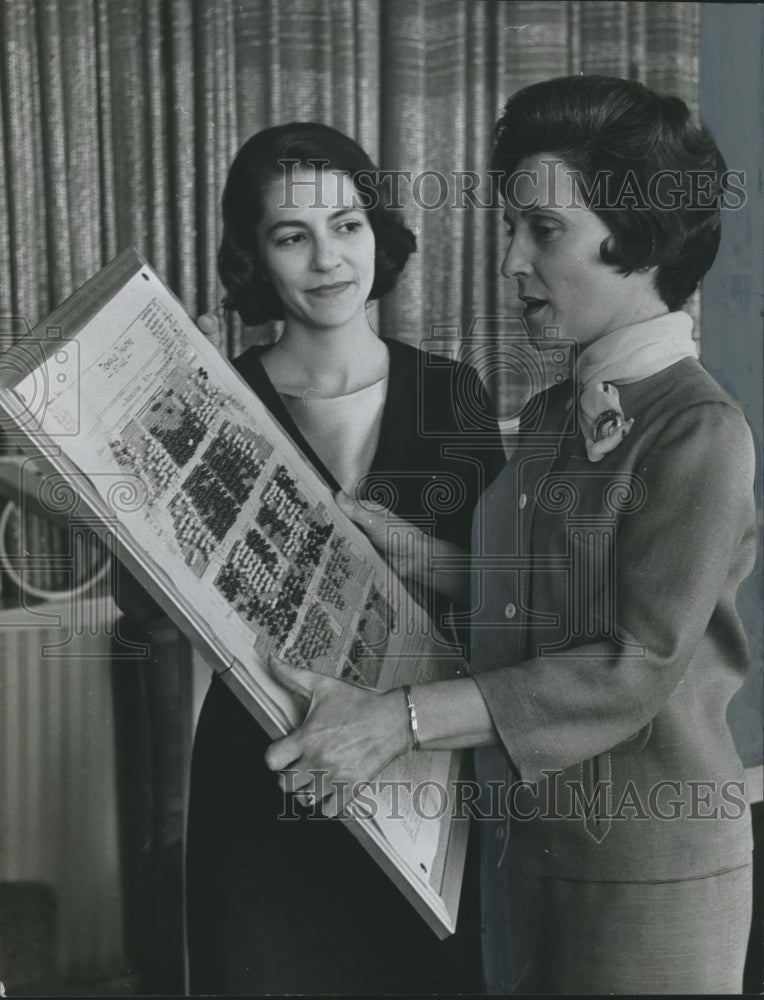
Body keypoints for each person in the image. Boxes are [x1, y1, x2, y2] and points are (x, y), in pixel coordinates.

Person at [265, 78, 757, 994]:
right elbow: (549, 597)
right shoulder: (552, 414)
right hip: (521, 848)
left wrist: (398, 724)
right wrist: (422, 559)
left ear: (637, 239)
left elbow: (631, 662)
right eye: (511, 230)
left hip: (644, 875)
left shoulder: (699, 431)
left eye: (543, 231)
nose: (510, 265)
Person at [184, 122, 505, 994]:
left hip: (424, 765)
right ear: (255, 257)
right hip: (266, 766)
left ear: (379, 233)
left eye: (348, 224)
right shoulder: (216, 400)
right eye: (293, 236)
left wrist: (421, 556)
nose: (328, 259)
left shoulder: (452, 393)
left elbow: (508, 606)